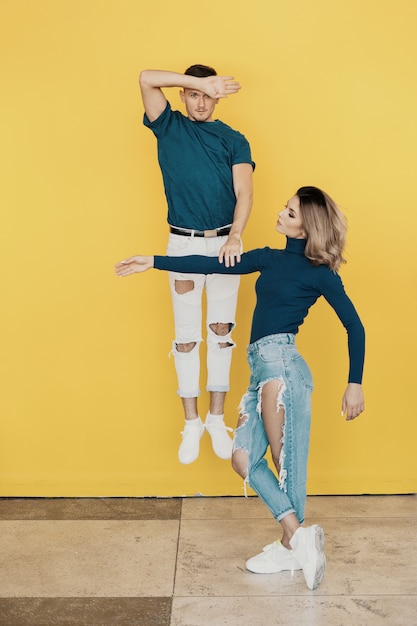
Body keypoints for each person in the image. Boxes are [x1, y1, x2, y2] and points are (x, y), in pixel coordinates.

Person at [115, 185, 365, 590]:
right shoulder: (268, 257)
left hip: (283, 368)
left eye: (291, 213)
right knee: (243, 457)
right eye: (285, 208)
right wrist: (155, 261)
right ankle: (297, 538)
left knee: (287, 464)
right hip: (258, 368)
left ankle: (290, 547)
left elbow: (355, 326)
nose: (282, 214)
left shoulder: (320, 274)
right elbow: (211, 264)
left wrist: (354, 383)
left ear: (307, 228)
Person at [138, 65, 255, 465]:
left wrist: (237, 234)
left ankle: (215, 418)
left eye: (208, 94)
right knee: (186, 336)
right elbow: (146, 78)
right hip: (181, 244)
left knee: (221, 331)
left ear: (219, 98)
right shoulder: (168, 127)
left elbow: (244, 191)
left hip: (225, 243)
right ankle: (190, 423)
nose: (201, 101)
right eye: (194, 94)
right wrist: (198, 81)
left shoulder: (234, 139)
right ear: (185, 95)